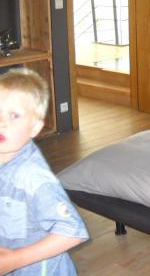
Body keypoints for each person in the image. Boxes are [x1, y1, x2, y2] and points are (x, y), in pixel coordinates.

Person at [0, 68, 88, 275]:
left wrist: (15, 259)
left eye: (14, 116)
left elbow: (72, 232)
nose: (2, 123)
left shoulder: (33, 178)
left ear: (34, 128)